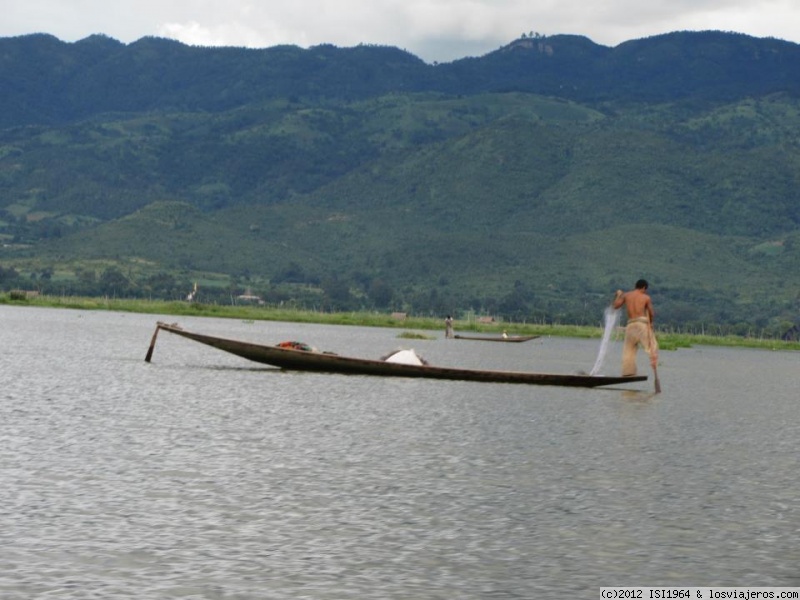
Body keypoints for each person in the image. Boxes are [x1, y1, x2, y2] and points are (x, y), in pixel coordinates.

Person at [612, 279, 658, 377]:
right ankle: (654, 364)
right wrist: (651, 323)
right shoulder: (646, 297)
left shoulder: (626, 295)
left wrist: (619, 295)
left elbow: (615, 306)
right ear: (644, 288)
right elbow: (651, 313)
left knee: (629, 349)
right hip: (641, 324)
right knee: (652, 345)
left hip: (630, 325)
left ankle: (628, 372)